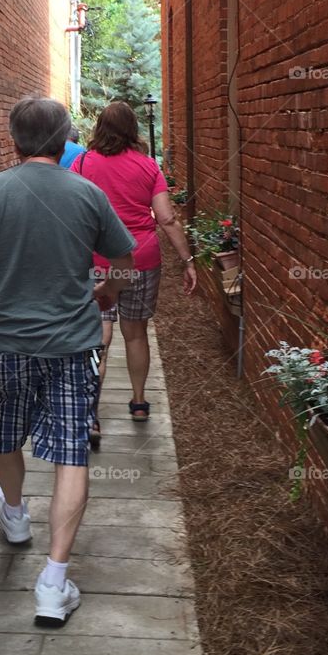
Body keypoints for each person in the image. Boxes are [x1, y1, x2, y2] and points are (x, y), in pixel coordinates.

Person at [0, 96, 136, 627]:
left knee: (4, 435)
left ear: (14, 140)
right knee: (71, 453)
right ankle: (53, 581)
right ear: (65, 138)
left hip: (4, 343)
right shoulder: (87, 192)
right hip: (72, 344)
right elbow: (124, 258)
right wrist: (108, 294)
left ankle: (17, 518)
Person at [71, 100, 196, 444]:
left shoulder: (81, 164)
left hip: (95, 262)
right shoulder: (147, 167)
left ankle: (91, 415)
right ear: (132, 129)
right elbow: (167, 218)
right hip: (139, 259)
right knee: (136, 333)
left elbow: (70, 211)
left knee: (99, 335)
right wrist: (188, 260)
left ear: (99, 128)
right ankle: (139, 401)